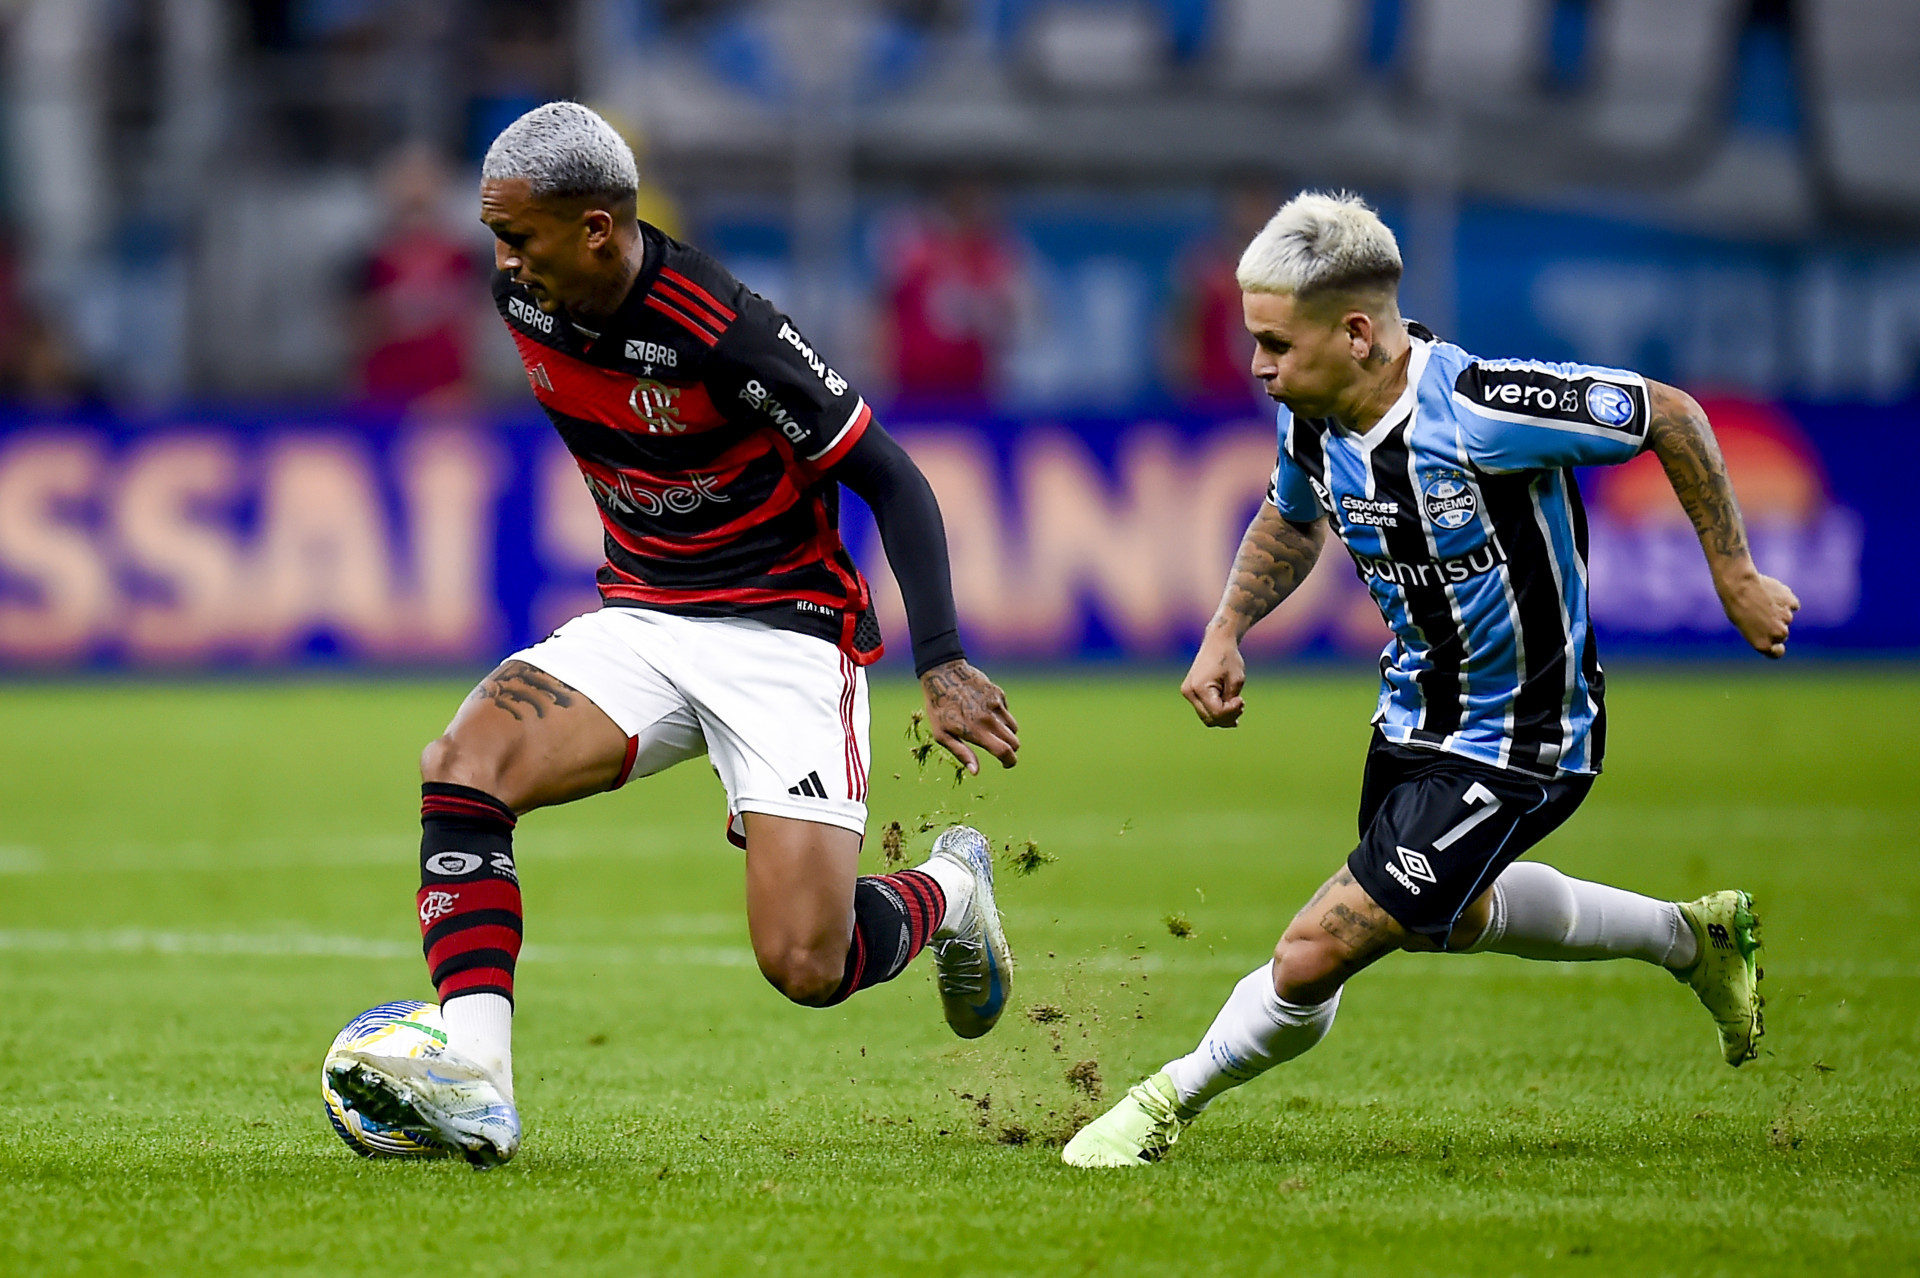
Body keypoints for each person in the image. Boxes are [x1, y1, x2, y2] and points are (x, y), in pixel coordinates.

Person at [327, 103, 1021, 1169]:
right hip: (645, 619)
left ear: (599, 228)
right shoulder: (526, 297)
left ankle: (954, 889)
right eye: (495, 235)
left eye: (520, 237)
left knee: (805, 962)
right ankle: (480, 1090)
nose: (501, 261)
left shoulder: (723, 330)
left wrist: (943, 660)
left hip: (787, 636)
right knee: (462, 768)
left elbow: (892, 476)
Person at [1062, 192, 1798, 1169]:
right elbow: (1292, 517)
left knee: (1319, 947)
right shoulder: (1315, 417)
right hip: (1412, 716)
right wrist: (1226, 627)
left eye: (1276, 342)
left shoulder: (1486, 406)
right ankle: (1689, 940)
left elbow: (1669, 412)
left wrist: (1735, 574)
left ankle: (1160, 1103)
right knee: (1450, 916)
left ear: (1358, 332)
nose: (1257, 365)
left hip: (1526, 737)